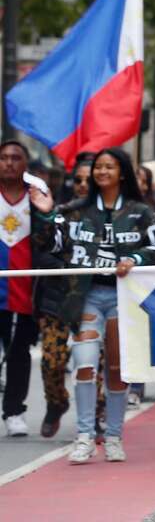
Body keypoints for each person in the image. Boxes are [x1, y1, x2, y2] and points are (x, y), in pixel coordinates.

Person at [30, 148, 155, 464]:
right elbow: (51, 245)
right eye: (98, 168)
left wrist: (134, 258)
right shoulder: (76, 209)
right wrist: (47, 214)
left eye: (109, 167)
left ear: (122, 173)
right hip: (86, 297)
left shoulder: (139, 211)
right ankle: (84, 437)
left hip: (123, 297)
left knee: (117, 369)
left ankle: (114, 437)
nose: (102, 172)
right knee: (85, 366)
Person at [33, 158, 92, 438]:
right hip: (57, 298)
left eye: (88, 180)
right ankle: (56, 403)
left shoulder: (117, 216)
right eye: (78, 180)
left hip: (96, 300)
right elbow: (41, 250)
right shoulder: (59, 214)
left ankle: (99, 415)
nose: (83, 186)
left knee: (95, 361)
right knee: (52, 361)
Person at [0, 142, 35, 437]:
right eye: (4, 158)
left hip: (22, 290)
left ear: (25, 163)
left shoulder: (37, 199)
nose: (9, 163)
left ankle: (13, 410)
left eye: (16, 158)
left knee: (18, 353)